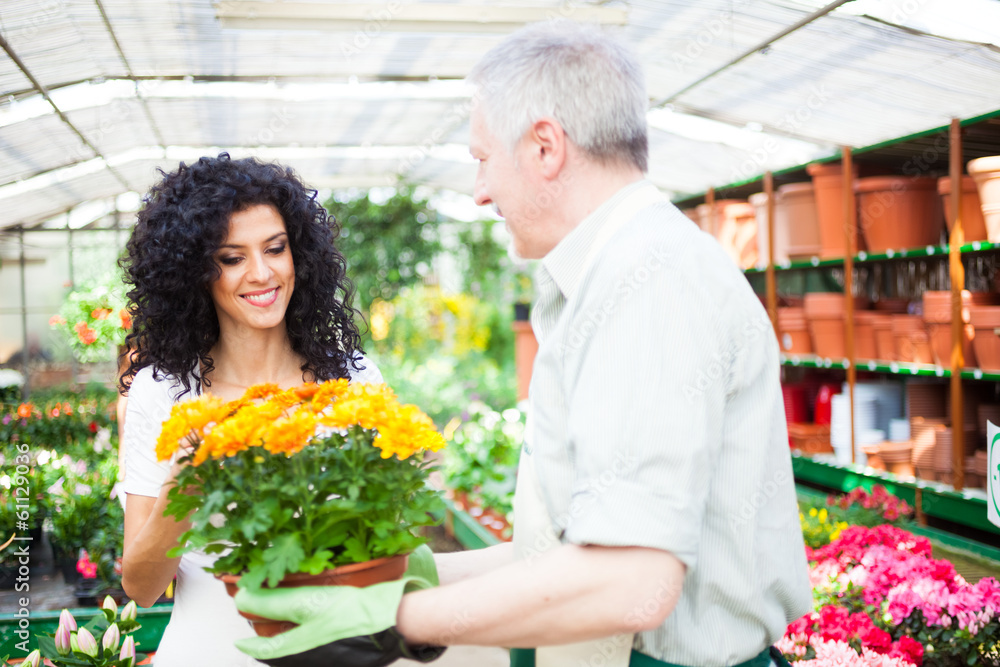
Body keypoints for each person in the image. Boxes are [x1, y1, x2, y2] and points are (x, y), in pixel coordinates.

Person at [234, 21, 812, 667]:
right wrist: (406, 576)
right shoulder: (610, 274)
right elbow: (577, 545)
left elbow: (632, 579)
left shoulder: (648, 283)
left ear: (544, 147)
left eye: (482, 159)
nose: (480, 192)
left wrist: (395, 618)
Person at [118, 153, 382, 666]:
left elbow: (385, 549)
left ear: (299, 254)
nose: (261, 274)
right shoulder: (165, 392)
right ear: (194, 272)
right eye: (232, 257)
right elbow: (141, 588)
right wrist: (184, 487)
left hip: (331, 650)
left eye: (275, 249)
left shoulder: (352, 379)